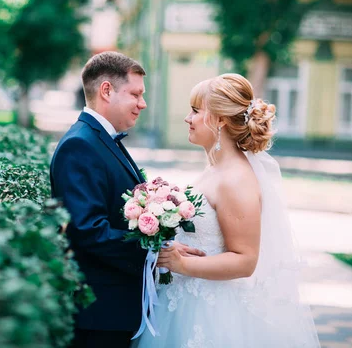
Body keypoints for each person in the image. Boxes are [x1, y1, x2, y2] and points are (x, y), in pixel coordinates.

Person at [132, 73, 320, 348]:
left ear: (219, 119)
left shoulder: (236, 179)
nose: (188, 118)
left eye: (196, 111)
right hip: (182, 302)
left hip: (211, 314)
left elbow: (245, 260)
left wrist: (181, 263)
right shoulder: (216, 169)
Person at [50, 52, 202, 348]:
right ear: (106, 90)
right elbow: (88, 230)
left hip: (114, 312)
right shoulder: (80, 145)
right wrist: (155, 253)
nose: (142, 104)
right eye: (135, 94)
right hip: (99, 315)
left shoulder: (101, 140)